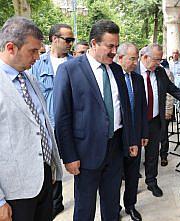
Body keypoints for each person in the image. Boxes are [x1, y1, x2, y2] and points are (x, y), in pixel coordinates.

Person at [54, 19, 136, 221]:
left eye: (116, 46)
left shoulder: (117, 70)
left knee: (111, 203)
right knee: (85, 207)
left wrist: (131, 140)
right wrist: (69, 156)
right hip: (86, 152)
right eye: (110, 46)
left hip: (115, 148)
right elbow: (62, 117)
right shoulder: (70, 70)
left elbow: (125, 109)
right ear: (93, 43)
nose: (114, 51)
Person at [0, 16, 63, 221]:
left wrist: (51, 165)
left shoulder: (31, 79)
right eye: (33, 51)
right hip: (14, 193)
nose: (37, 57)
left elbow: (41, 124)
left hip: (43, 181)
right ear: (11, 48)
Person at [135, 43, 180, 197]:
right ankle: (132, 186)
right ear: (145, 57)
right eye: (156, 60)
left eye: (160, 60)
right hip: (136, 123)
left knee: (152, 154)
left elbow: (173, 90)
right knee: (133, 157)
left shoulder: (160, 72)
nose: (159, 63)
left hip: (154, 121)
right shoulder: (131, 71)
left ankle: (151, 182)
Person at [29, 23, 74, 219]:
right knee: (51, 164)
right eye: (68, 40)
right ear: (54, 39)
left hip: (72, 125)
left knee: (74, 162)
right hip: (49, 125)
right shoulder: (38, 65)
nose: (71, 43)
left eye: (72, 40)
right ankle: (56, 202)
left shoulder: (76, 65)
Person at [116, 42, 149, 221]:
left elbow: (142, 108)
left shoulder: (137, 79)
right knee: (114, 178)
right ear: (120, 58)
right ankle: (115, 207)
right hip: (117, 137)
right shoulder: (113, 77)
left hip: (136, 134)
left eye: (136, 58)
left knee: (132, 174)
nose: (136, 62)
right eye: (132, 58)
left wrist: (144, 133)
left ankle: (131, 205)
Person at [159, 61, 174, 167]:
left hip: (164, 111)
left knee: (163, 134)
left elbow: (170, 93)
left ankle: (164, 156)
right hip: (149, 114)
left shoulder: (165, 72)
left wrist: (168, 110)